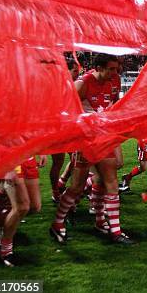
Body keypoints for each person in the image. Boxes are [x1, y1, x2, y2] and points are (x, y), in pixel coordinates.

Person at [49, 54, 134, 245]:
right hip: (86, 141)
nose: (115, 72)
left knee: (110, 182)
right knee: (77, 187)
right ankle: (58, 222)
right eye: (111, 69)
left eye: (116, 68)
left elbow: (111, 105)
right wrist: (83, 125)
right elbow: (64, 110)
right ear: (98, 67)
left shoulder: (115, 81)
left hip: (104, 138)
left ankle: (114, 230)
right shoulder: (83, 83)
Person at [0, 155, 46, 266]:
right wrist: (7, 167)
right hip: (12, 160)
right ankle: (5, 249)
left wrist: (42, 152)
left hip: (28, 157)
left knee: (35, 206)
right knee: (22, 207)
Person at [49, 57, 81, 202]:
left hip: (70, 128)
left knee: (76, 159)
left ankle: (69, 188)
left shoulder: (75, 85)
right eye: (75, 71)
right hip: (57, 129)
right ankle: (56, 190)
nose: (77, 74)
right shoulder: (57, 85)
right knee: (58, 161)